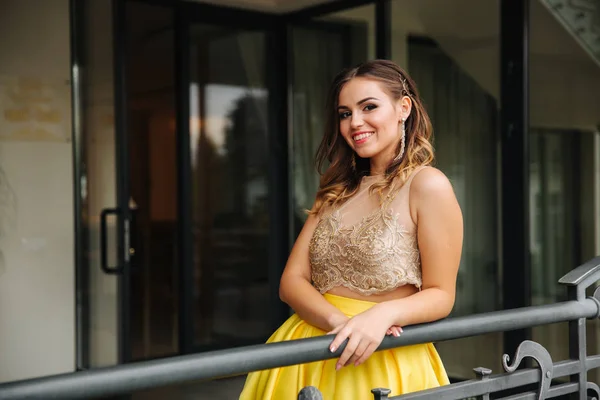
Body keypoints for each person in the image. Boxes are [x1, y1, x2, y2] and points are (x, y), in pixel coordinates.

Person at [239, 59, 463, 399]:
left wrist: (382, 314)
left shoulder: (428, 185)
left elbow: (441, 294)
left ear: (404, 108)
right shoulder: (336, 189)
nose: (355, 122)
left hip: (382, 356)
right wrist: (338, 324)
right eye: (345, 113)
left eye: (368, 107)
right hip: (307, 351)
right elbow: (291, 282)